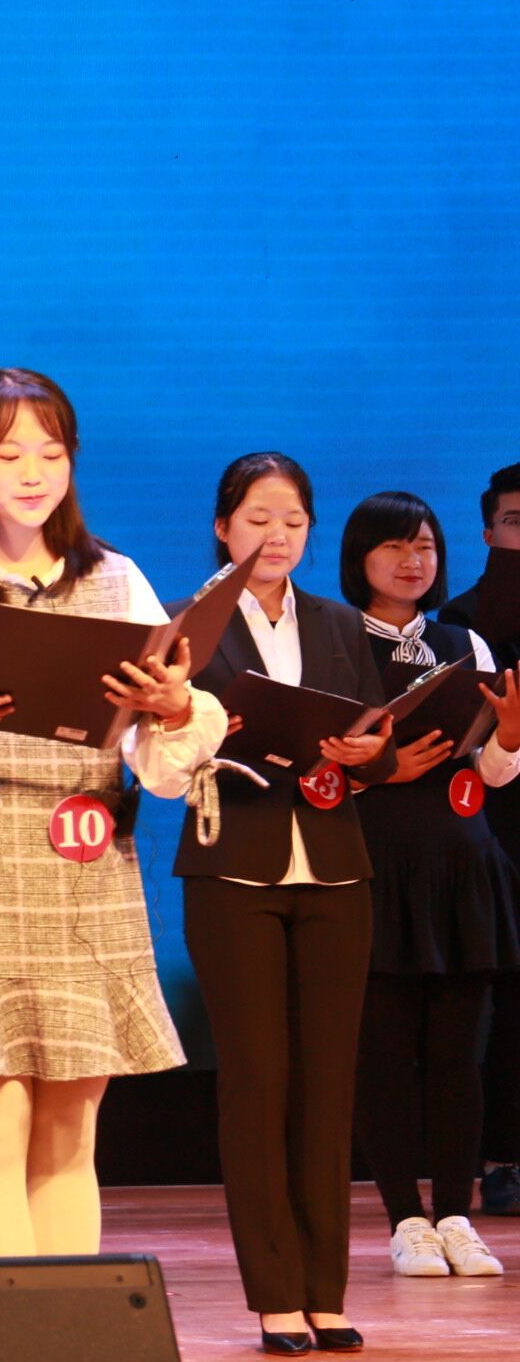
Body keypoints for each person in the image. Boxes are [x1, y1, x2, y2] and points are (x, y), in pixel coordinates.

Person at [0, 369, 227, 1270]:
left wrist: (175, 708)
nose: (32, 473)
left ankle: (74, 1326)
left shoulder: (116, 578)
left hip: (88, 868)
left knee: (70, 1134)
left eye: (51, 454)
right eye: (9, 453)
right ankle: (8, 1326)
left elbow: (164, 766)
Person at [172, 455, 388, 1355]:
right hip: (234, 867)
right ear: (223, 526)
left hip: (335, 866)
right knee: (257, 1082)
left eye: (293, 521)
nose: (277, 536)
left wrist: (366, 753)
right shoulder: (187, 625)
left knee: (328, 1083)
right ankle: (275, 1296)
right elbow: (159, 748)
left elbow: (376, 738)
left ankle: (326, 1291)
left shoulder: (338, 622)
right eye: (258, 518)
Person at [341, 490, 520, 1280]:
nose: (413, 561)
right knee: (384, 1056)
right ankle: (405, 1221)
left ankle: (455, 1215)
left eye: (425, 547)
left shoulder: (463, 641)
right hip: (374, 866)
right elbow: (309, 770)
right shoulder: (335, 640)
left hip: (461, 864)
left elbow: (491, 772)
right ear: (360, 558)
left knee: (457, 1056)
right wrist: (378, 771)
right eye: (394, 546)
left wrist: (508, 739)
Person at [437, 461, 520, 1216]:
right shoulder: (462, 621)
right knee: (504, 1001)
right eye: (516, 523)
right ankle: (502, 1160)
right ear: (488, 532)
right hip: (496, 826)